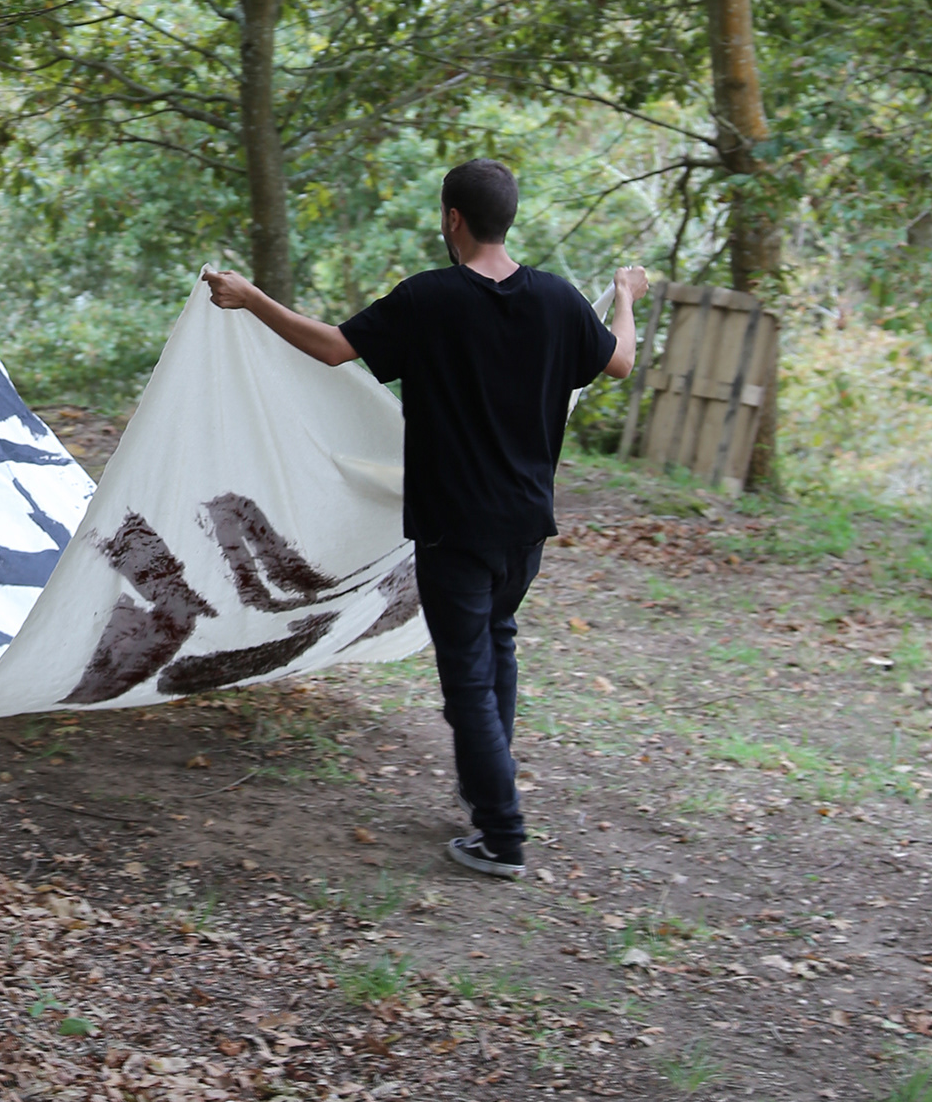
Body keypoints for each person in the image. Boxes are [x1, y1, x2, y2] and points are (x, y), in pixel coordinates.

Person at [203, 159, 646, 879]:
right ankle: (486, 796)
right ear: (508, 218)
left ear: (452, 220)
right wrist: (625, 294)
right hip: (526, 528)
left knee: (469, 679)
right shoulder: (560, 302)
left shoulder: (430, 300)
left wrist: (251, 299)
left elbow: (332, 348)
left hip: (453, 528)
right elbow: (621, 361)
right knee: (496, 646)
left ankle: (502, 834)